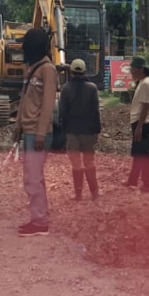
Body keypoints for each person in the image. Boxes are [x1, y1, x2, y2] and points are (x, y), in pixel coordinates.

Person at [12, 28, 57, 237]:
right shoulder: (32, 69)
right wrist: (18, 126)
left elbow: (48, 104)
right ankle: (40, 216)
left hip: (38, 134)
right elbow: (24, 102)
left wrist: (40, 133)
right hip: (29, 131)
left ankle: (40, 222)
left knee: (32, 178)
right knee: (34, 177)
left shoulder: (47, 69)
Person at [59, 59, 101, 201]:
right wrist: (97, 130)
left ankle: (78, 194)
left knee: (76, 164)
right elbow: (95, 111)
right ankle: (94, 193)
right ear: (84, 71)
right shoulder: (92, 88)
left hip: (72, 130)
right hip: (88, 131)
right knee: (89, 162)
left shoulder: (65, 88)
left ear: (71, 72)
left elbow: (62, 112)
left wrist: (64, 131)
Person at [126, 56, 149, 192]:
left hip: (142, 122)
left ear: (140, 69)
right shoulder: (144, 82)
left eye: (132, 68)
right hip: (141, 121)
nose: (131, 71)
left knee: (142, 154)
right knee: (138, 152)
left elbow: (145, 106)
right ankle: (132, 180)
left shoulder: (145, 84)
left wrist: (139, 126)